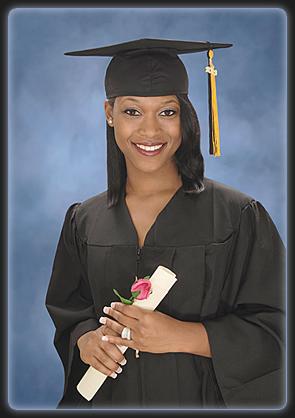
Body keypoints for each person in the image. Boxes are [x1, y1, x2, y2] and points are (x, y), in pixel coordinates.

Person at [45, 38, 285, 409]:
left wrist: (184, 336)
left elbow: (276, 330)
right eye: (132, 112)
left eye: (167, 112)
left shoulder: (238, 216)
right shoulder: (84, 221)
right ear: (109, 113)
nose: (150, 132)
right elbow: (69, 310)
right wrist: (85, 339)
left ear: (185, 117)